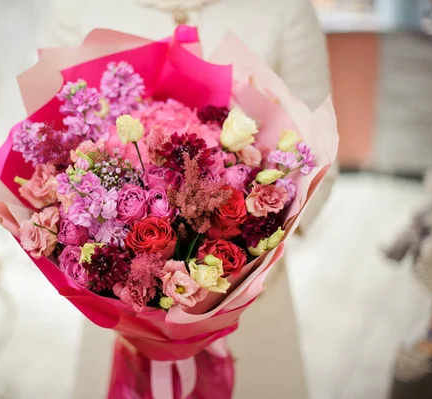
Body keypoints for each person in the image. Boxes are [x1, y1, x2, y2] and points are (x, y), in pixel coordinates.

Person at [41, 0, 337, 397]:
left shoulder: (284, 8)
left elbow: (317, 148)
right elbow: (51, 147)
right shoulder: (75, 8)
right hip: (119, 308)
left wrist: (248, 246)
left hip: (250, 300)